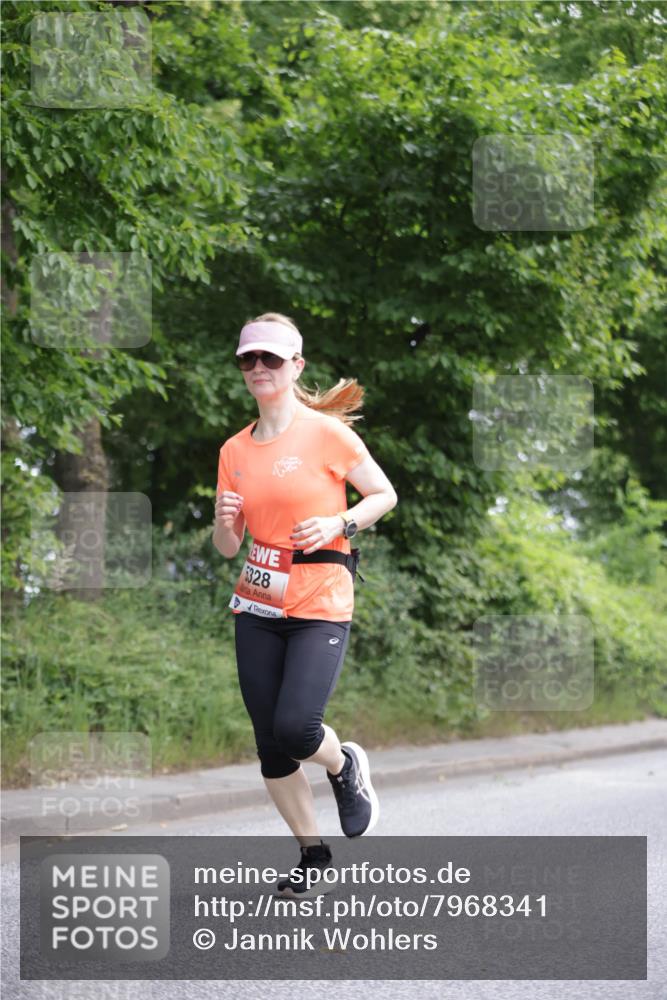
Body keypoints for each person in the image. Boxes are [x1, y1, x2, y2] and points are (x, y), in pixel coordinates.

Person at [213, 312, 398, 899]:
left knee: (296, 727)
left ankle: (344, 764)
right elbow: (227, 546)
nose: (259, 368)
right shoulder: (233, 450)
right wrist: (221, 525)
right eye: (250, 359)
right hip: (258, 602)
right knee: (270, 741)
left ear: (296, 366)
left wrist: (339, 520)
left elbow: (383, 493)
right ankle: (312, 852)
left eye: (271, 358)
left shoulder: (327, 435)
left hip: (320, 598)